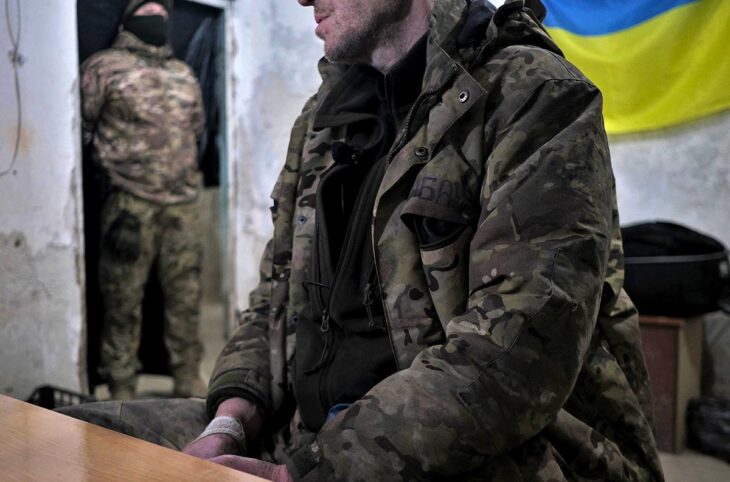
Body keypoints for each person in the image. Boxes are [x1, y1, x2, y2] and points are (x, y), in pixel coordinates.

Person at [64, 0, 664, 480]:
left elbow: (513, 362)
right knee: (70, 441)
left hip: (501, 451)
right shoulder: (326, 117)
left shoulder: (535, 96)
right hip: (311, 438)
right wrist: (230, 417)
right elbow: (276, 296)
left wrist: (309, 469)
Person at [80, 0, 206, 399]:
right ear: (129, 15)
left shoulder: (183, 73)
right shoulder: (103, 67)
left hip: (183, 202)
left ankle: (187, 377)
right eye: (149, 8)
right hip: (129, 202)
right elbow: (82, 126)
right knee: (122, 297)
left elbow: (198, 128)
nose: (159, 16)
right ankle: (121, 386)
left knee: (185, 296)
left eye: (164, 10)